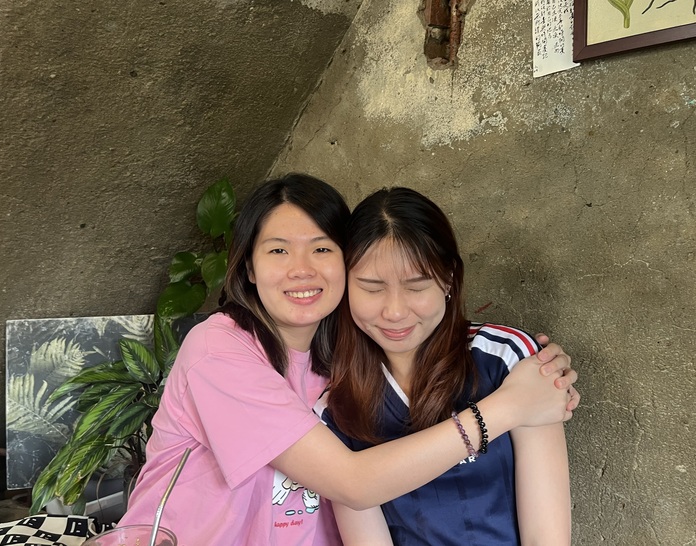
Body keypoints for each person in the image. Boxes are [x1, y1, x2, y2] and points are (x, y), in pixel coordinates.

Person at [120, 174, 577, 546]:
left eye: (321, 248)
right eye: (278, 250)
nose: (302, 269)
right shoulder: (223, 351)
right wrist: (511, 406)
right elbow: (354, 484)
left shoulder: (339, 365)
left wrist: (538, 376)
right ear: (249, 267)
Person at [321, 187, 572, 545]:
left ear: (448, 278)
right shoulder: (337, 402)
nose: (395, 311)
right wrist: (508, 408)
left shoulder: (506, 358)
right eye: (372, 288)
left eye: (416, 286)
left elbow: (547, 537)